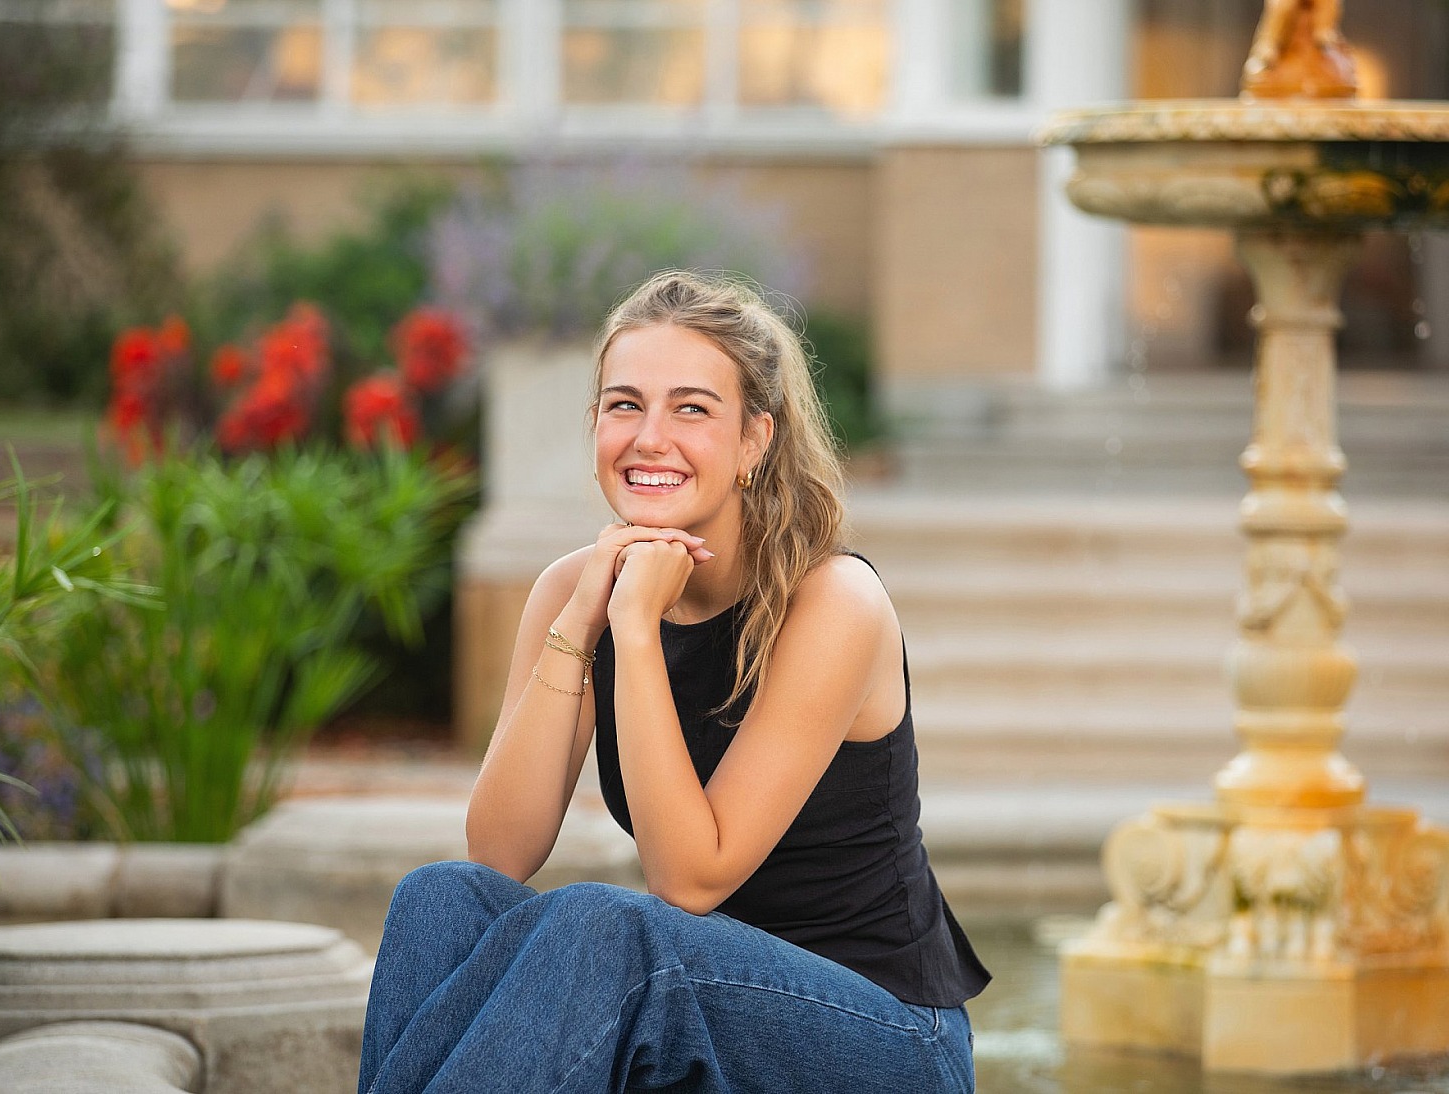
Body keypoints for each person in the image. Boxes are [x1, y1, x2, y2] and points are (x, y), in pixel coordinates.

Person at [359, 271, 990, 1093]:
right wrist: (580, 621)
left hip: (884, 1035)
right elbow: (500, 852)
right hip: (703, 1011)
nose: (650, 436)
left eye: (692, 409)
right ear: (594, 427)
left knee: (610, 929)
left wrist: (633, 627)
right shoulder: (571, 591)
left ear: (754, 440)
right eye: (625, 405)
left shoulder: (833, 602)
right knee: (441, 899)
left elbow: (689, 880)